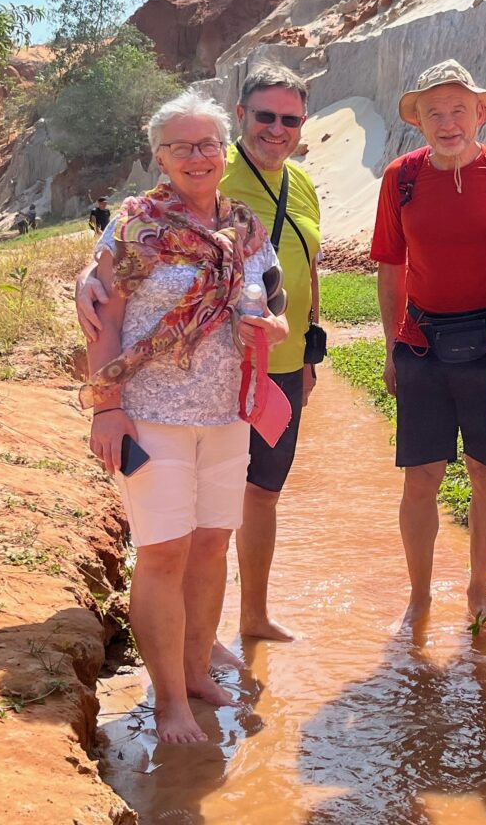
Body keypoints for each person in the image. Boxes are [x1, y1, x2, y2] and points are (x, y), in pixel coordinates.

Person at [79, 64, 322, 652]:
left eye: (289, 119)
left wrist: (303, 339)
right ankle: (181, 665)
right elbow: (113, 284)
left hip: (255, 382)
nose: (276, 128)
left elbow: (290, 275)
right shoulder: (178, 193)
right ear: (239, 119)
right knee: (173, 539)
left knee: (248, 506)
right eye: (265, 116)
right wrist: (89, 273)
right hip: (162, 399)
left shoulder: (284, 195)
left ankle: (242, 623)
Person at [370, 59, 486, 627]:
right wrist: (392, 346)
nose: (447, 122)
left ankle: (478, 592)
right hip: (421, 347)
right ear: (419, 121)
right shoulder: (402, 177)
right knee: (422, 478)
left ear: (480, 113)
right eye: (434, 112)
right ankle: (420, 597)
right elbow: (390, 267)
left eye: (458, 110)